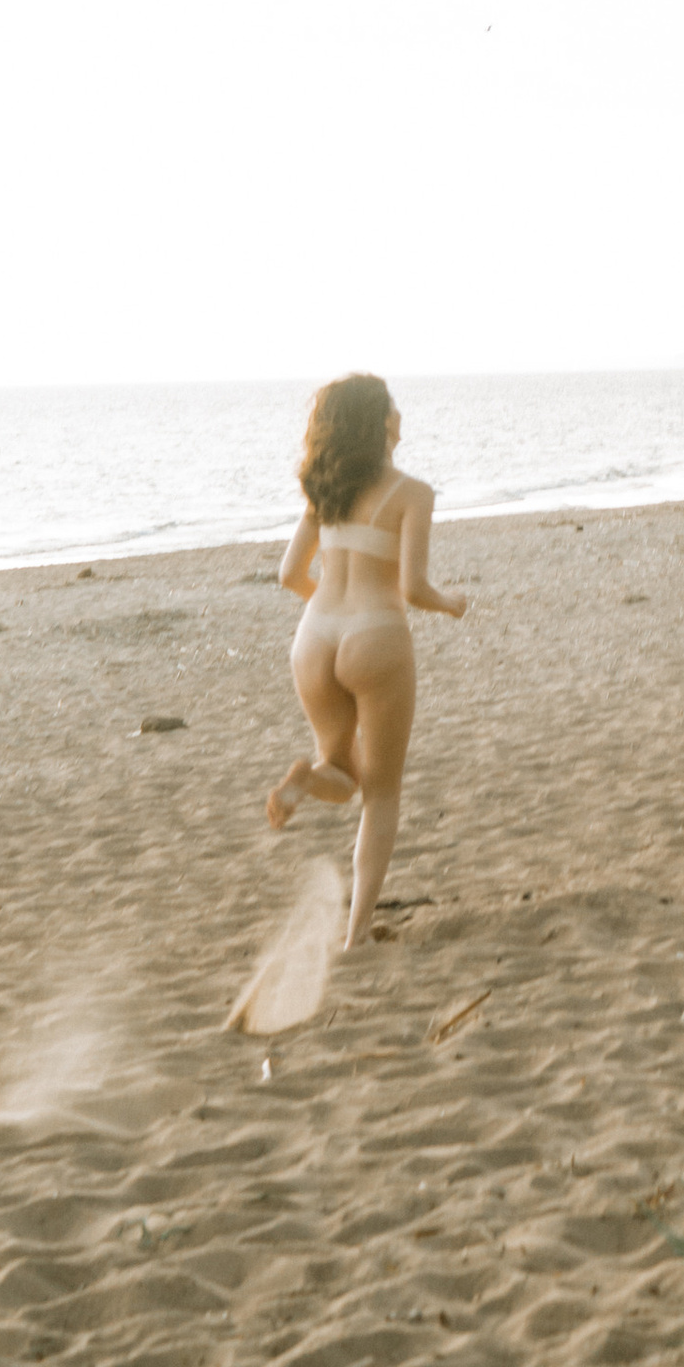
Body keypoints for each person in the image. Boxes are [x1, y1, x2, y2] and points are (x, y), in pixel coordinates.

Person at [266, 372, 468, 946]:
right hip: (375, 637)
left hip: (314, 638)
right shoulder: (412, 494)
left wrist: (329, 609)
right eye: (393, 406)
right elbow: (413, 589)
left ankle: (305, 779)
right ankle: (356, 934)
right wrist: (451, 605)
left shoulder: (324, 492)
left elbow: (288, 576)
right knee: (380, 793)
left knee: (340, 770)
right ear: (380, 422)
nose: (401, 414)